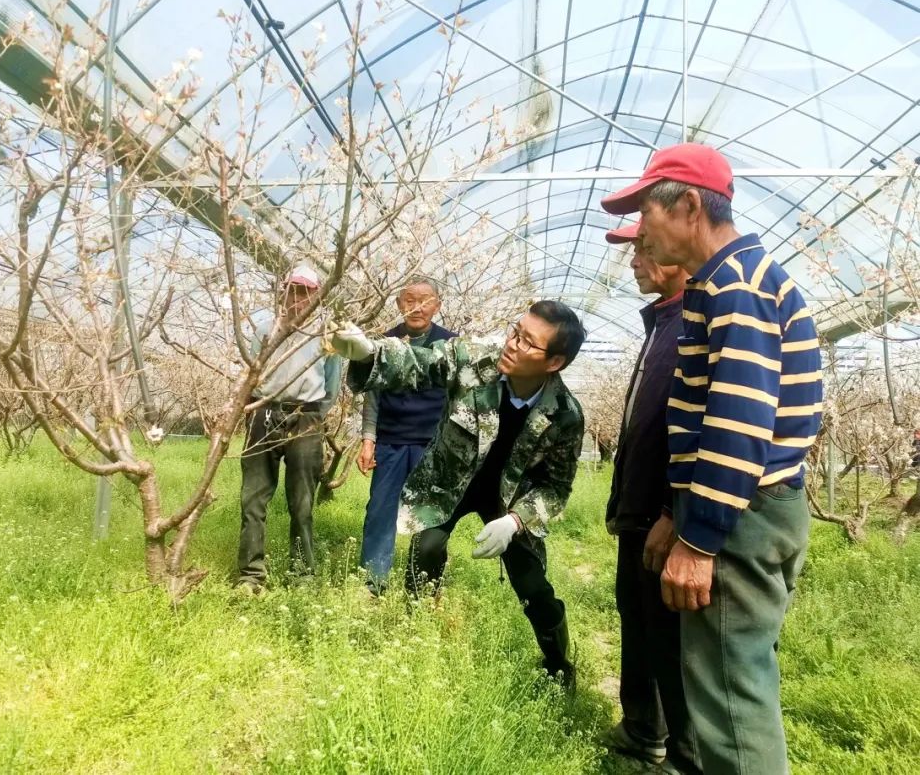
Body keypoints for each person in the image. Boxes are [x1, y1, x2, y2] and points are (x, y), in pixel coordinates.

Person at [601, 142, 824, 774]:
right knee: (727, 683)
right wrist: (678, 510)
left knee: (732, 702)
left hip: (741, 516)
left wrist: (698, 543)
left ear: (690, 205)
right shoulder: (724, 284)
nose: (641, 233)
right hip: (735, 509)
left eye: (646, 212)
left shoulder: (737, 287)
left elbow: (738, 422)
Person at [330, 301, 586, 687]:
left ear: (554, 362)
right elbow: (423, 362)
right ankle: (417, 636)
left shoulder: (564, 415)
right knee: (426, 548)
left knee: (532, 585)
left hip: (510, 500)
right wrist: (370, 352)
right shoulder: (475, 359)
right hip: (452, 479)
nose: (512, 344)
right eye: (514, 331)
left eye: (527, 342)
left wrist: (516, 521)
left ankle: (558, 663)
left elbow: (557, 488)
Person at [600, 220, 699, 772]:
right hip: (639, 511)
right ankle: (642, 730)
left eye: (642, 248)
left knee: (668, 638)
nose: (634, 261)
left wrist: (671, 509)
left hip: (664, 515)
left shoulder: (694, 322)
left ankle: (683, 752)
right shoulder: (662, 321)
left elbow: (691, 429)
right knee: (637, 618)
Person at [236, 264, 342, 593]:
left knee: (302, 502)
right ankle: (251, 576)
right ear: (283, 291)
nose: (298, 298)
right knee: (253, 498)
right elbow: (251, 373)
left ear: (316, 295)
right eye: (293, 290)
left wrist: (313, 416)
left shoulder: (326, 336)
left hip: (307, 418)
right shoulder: (265, 329)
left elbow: (332, 386)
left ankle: (303, 576)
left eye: (306, 291)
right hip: (264, 413)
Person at [357, 278, 457, 596]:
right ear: (399, 304)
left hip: (433, 444)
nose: (417, 307)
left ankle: (425, 586)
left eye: (425, 300)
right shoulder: (384, 343)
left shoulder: (451, 345)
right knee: (380, 513)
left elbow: (459, 399)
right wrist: (368, 440)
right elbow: (372, 397)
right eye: (409, 300)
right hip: (390, 442)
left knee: (430, 519)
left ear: (437, 306)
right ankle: (373, 584)